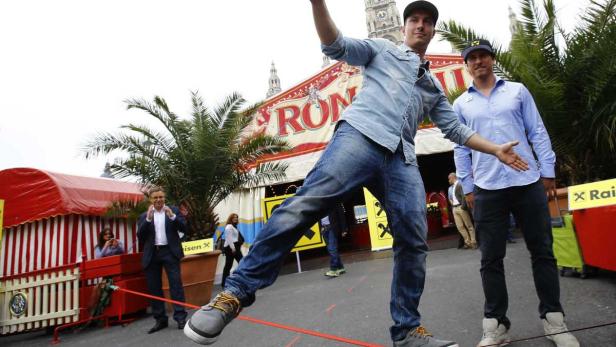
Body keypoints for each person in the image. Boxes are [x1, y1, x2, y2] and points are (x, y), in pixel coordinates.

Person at [184, 2, 529, 346]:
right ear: (405, 25)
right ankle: (232, 296)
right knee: (306, 204)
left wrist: (496, 149)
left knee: (413, 237)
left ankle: (407, 331)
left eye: (427, 22)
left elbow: (456, 129)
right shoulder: (381, 50)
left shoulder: (432, 87)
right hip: (360, 136)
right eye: (414, 20)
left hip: (401, 158)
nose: (420, 26)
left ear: (433, 31)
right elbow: (335, 44)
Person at [453, 39, 579, 347]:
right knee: (490, 259)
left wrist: (547, 172)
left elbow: (536, 130)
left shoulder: (518, 91)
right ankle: (496, 326)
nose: (478, 61)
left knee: (543, 252)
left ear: (492, 59)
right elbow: (461, 146)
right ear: (467, 65)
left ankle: (554, 321)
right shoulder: (461, 105)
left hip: (527, 182)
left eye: (483, 55)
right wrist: (468, 187)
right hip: (487, 188)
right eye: (472, 58)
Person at [137, 186, 188, 334]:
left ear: (164, 198)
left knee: (176, 285)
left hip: (169, 252)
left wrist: (172, 216)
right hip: (152, 254)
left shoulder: (173, 211)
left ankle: (180, 317)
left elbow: (185, 228)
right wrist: (147, 219)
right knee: (154, 288)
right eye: (155, 198)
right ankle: (160, 319)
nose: (158, 200)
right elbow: (140, 236)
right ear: (151, 200)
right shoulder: (144, 216)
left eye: (161, 197)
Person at [447, 173, 476, 249]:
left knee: (469, 225)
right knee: (460, 227)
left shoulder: (460, 184)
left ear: (453, 177)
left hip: (461, 207)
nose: (448, 180)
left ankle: (473, 242)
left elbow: (464, 196)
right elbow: (450, 197)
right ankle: (467, 242)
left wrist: (463, 206)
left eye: (449, 179)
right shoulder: (451, 188)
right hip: (455, 208)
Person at [320, 204, 347, 277]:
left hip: (332, 227)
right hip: (324, 228)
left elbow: (341, 215)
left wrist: (344, 229)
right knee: (331, 249)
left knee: (332, 248)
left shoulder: (335, 201)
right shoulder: (320, 204)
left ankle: (333, 269)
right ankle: (340, 267)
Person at [221, 213, 244, 288]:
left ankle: (225, 282)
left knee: (240, 263)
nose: (236, 218)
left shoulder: (233, 226)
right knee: (229, 265)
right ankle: (224, 283)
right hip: (231, 248)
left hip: (234, 247)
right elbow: (229, 238)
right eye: (234, 217)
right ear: (230, 218)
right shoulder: (229, 227)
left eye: (237, 217)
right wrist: (233, 248)